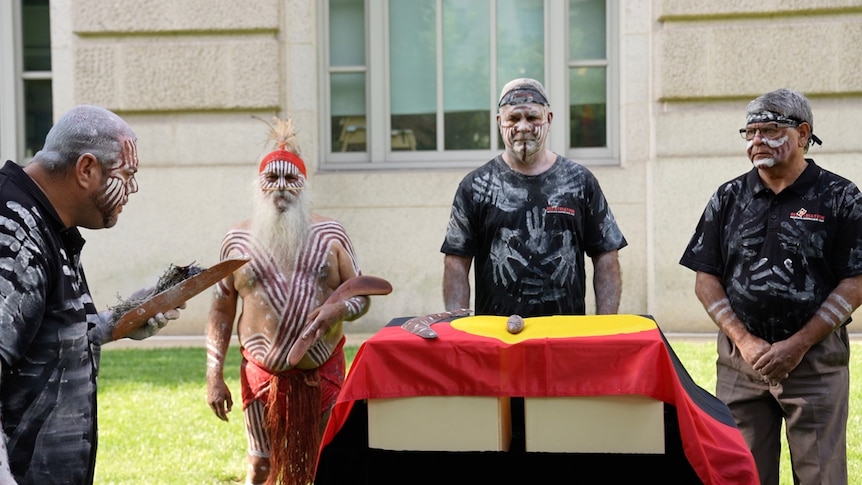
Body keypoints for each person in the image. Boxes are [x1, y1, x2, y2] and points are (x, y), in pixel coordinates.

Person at [679, 88, 862, 485]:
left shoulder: (839, 196)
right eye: (750, 132)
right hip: (741, 365)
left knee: (821, 476)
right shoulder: (728, 198)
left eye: (769, 130)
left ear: (802, 133)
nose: (757, 141)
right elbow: (705, 277)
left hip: (814, 365)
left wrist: (798, 345)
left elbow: (856, 280)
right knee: (740, 474)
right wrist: (744, 342)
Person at [0, 105, 183, 484]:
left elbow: (42, 335)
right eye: (127, 175)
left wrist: (120, 320)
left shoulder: (47, 223)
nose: (132, 190)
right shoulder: (15, 233)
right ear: (86, 169)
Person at [206, 117, 371, 485]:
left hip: (322, 373)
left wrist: (337, 309)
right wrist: (213, 374)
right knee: (260, 468)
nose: (281, 187)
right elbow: (221, 309)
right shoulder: (236, 241)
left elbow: (360, 295)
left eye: (291, 179)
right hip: (261, 376)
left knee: (326, 463)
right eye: (272, 178)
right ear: (259, 185)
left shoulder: (331, 235)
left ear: (304, 185)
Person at [441, 77, 627, 317]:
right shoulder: (476, 186)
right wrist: (460, 327)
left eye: (532, 117)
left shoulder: (581, 182)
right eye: (513, 119)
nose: (523, 127)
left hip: (564, 336)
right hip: (497, 339)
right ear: (500, 122)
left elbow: (606, 254)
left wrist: (605, 325)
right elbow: (456, 261)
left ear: (548, 119)